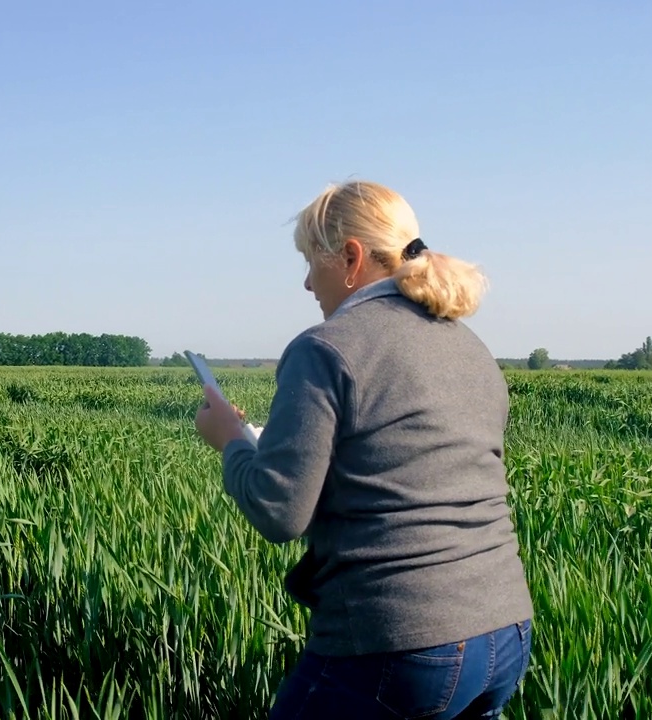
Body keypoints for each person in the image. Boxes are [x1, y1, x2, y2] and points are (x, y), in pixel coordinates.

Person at [194, 180, 534, 719]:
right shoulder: (468, 345)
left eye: (312, 262)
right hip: (504, 631)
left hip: (396, 640)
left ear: (351, 257)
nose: (307, 283)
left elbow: (280, 512)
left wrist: (231, 443)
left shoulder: (326, 347)